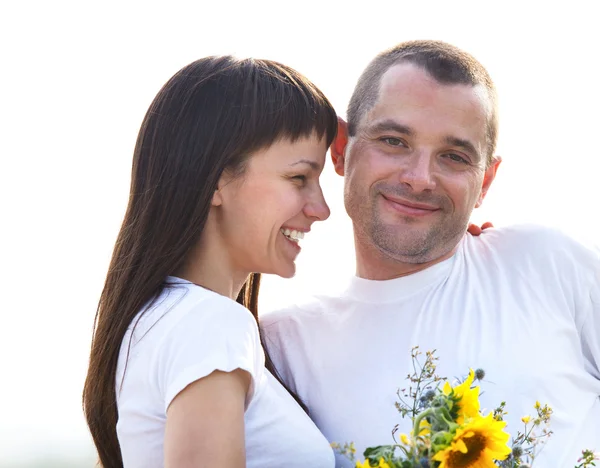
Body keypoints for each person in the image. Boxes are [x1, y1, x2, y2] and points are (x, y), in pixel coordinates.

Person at [261, 40, 600, 467]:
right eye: (394, 141)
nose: (420, 178)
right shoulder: (279, 347)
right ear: (342, 148)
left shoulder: (544, 263)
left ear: (486, 181)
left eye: (454, 157)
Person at [82, 56, 340, 467]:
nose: (321, 208)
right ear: (217, 180)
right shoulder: (210, 325)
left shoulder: (161, 322)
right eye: (299, 178)